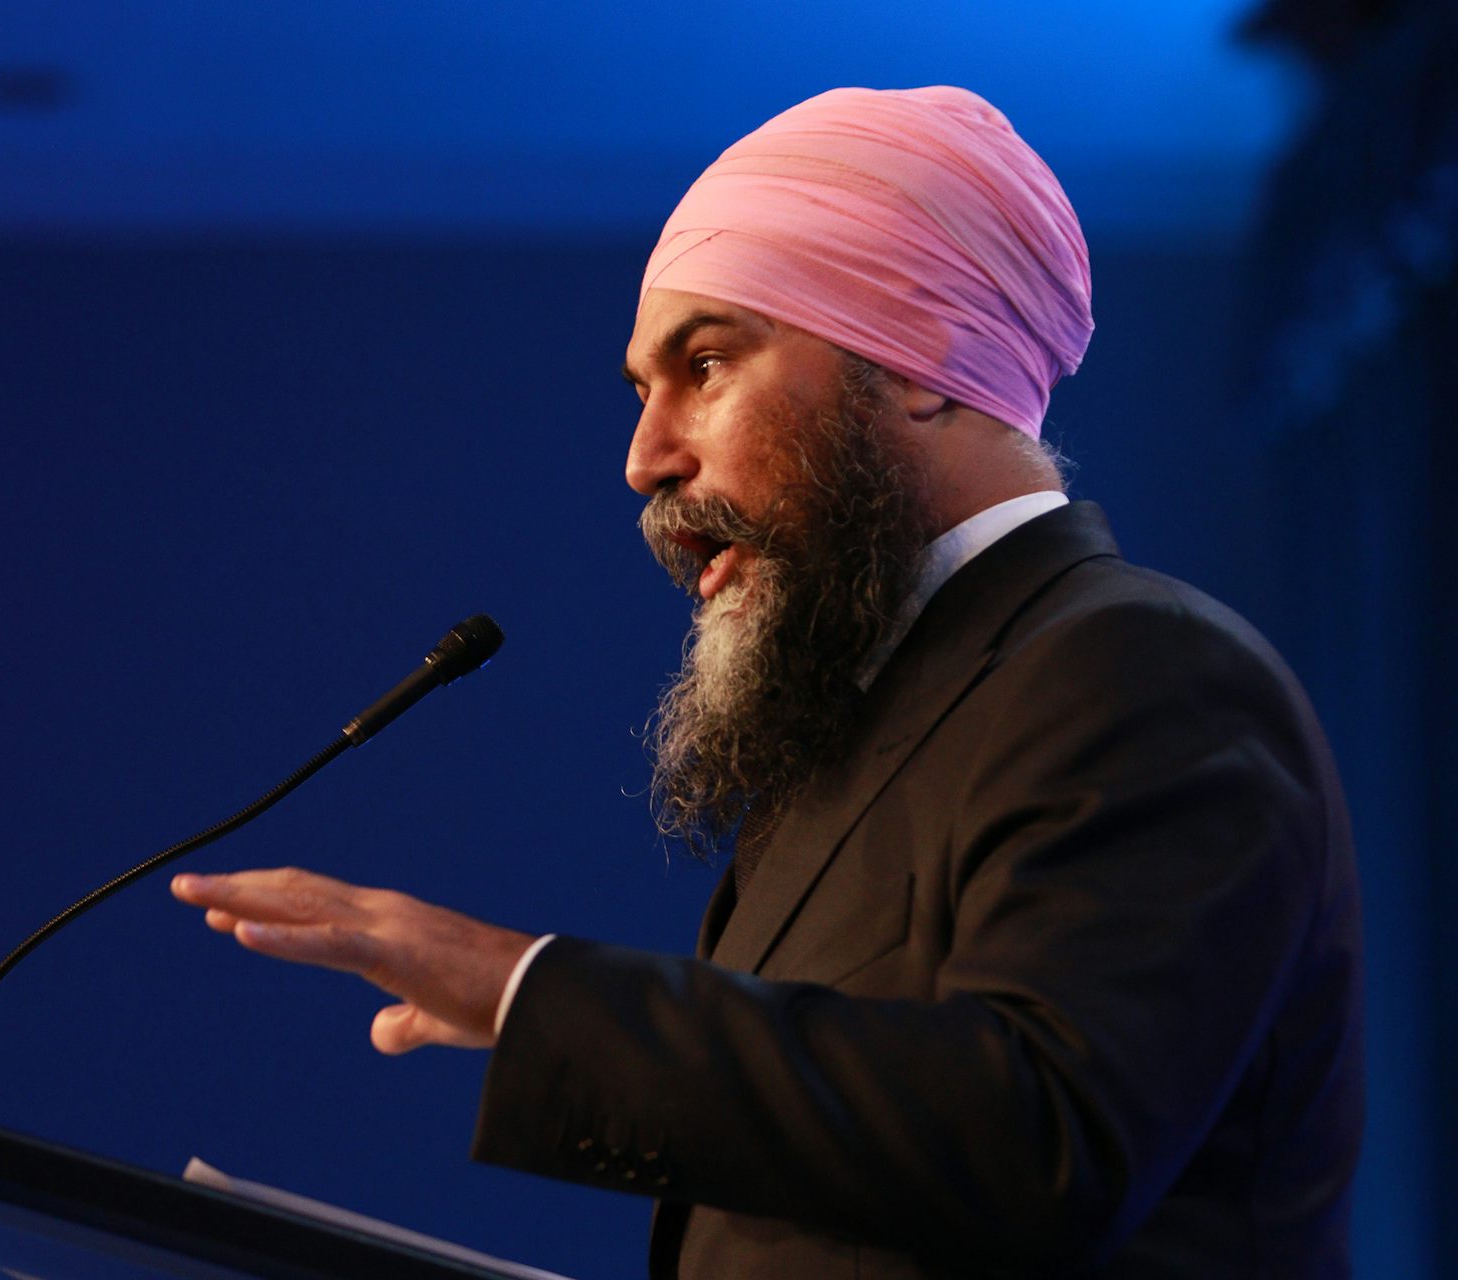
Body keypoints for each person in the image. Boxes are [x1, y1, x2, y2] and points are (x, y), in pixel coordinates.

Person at [170, 86, 1364, 1277]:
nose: (645, 458)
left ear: (925, 366)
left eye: (705, 362)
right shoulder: (845, 748)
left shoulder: (1141, 670)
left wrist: (529, 991)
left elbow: (1043, 1138)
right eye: (644, 390)